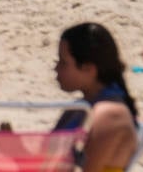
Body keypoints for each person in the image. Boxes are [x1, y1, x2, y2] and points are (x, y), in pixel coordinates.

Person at [54, 23, 138, 172]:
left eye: (63, 63)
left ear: (89, 69)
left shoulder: (110, 115)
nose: (56, 68)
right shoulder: (79, 109)